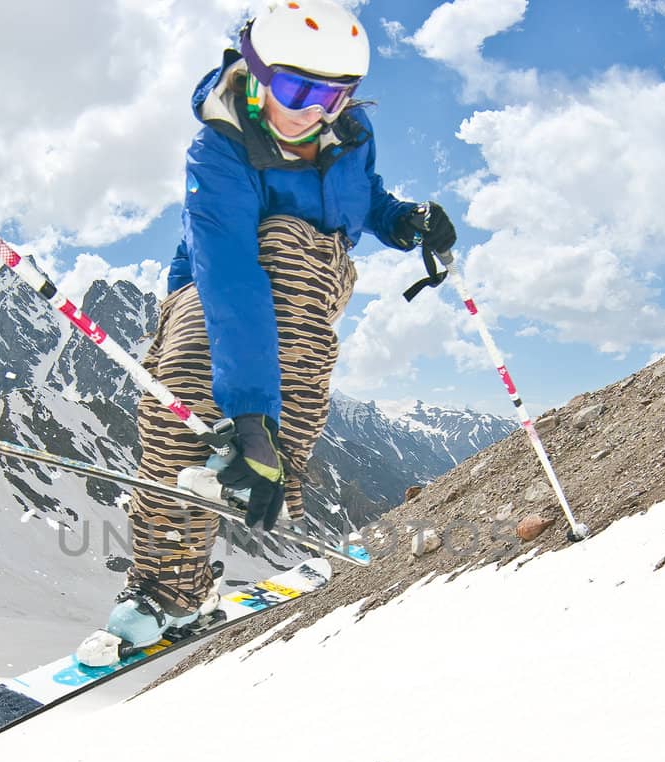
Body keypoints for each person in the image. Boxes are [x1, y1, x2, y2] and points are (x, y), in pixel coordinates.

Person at [76, 0, 456, 666]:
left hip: (311, 274)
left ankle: (281, 458)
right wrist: (247, 414)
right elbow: (230, 278)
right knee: (181, 392)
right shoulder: (218, 150)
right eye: (296, 89)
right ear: (255, 74)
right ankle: (172, 588)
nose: (316, 111)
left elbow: (359, 198)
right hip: (217, 278)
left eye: (336, 96)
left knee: (287, 241)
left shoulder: (351, 135)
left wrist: (402, 222)